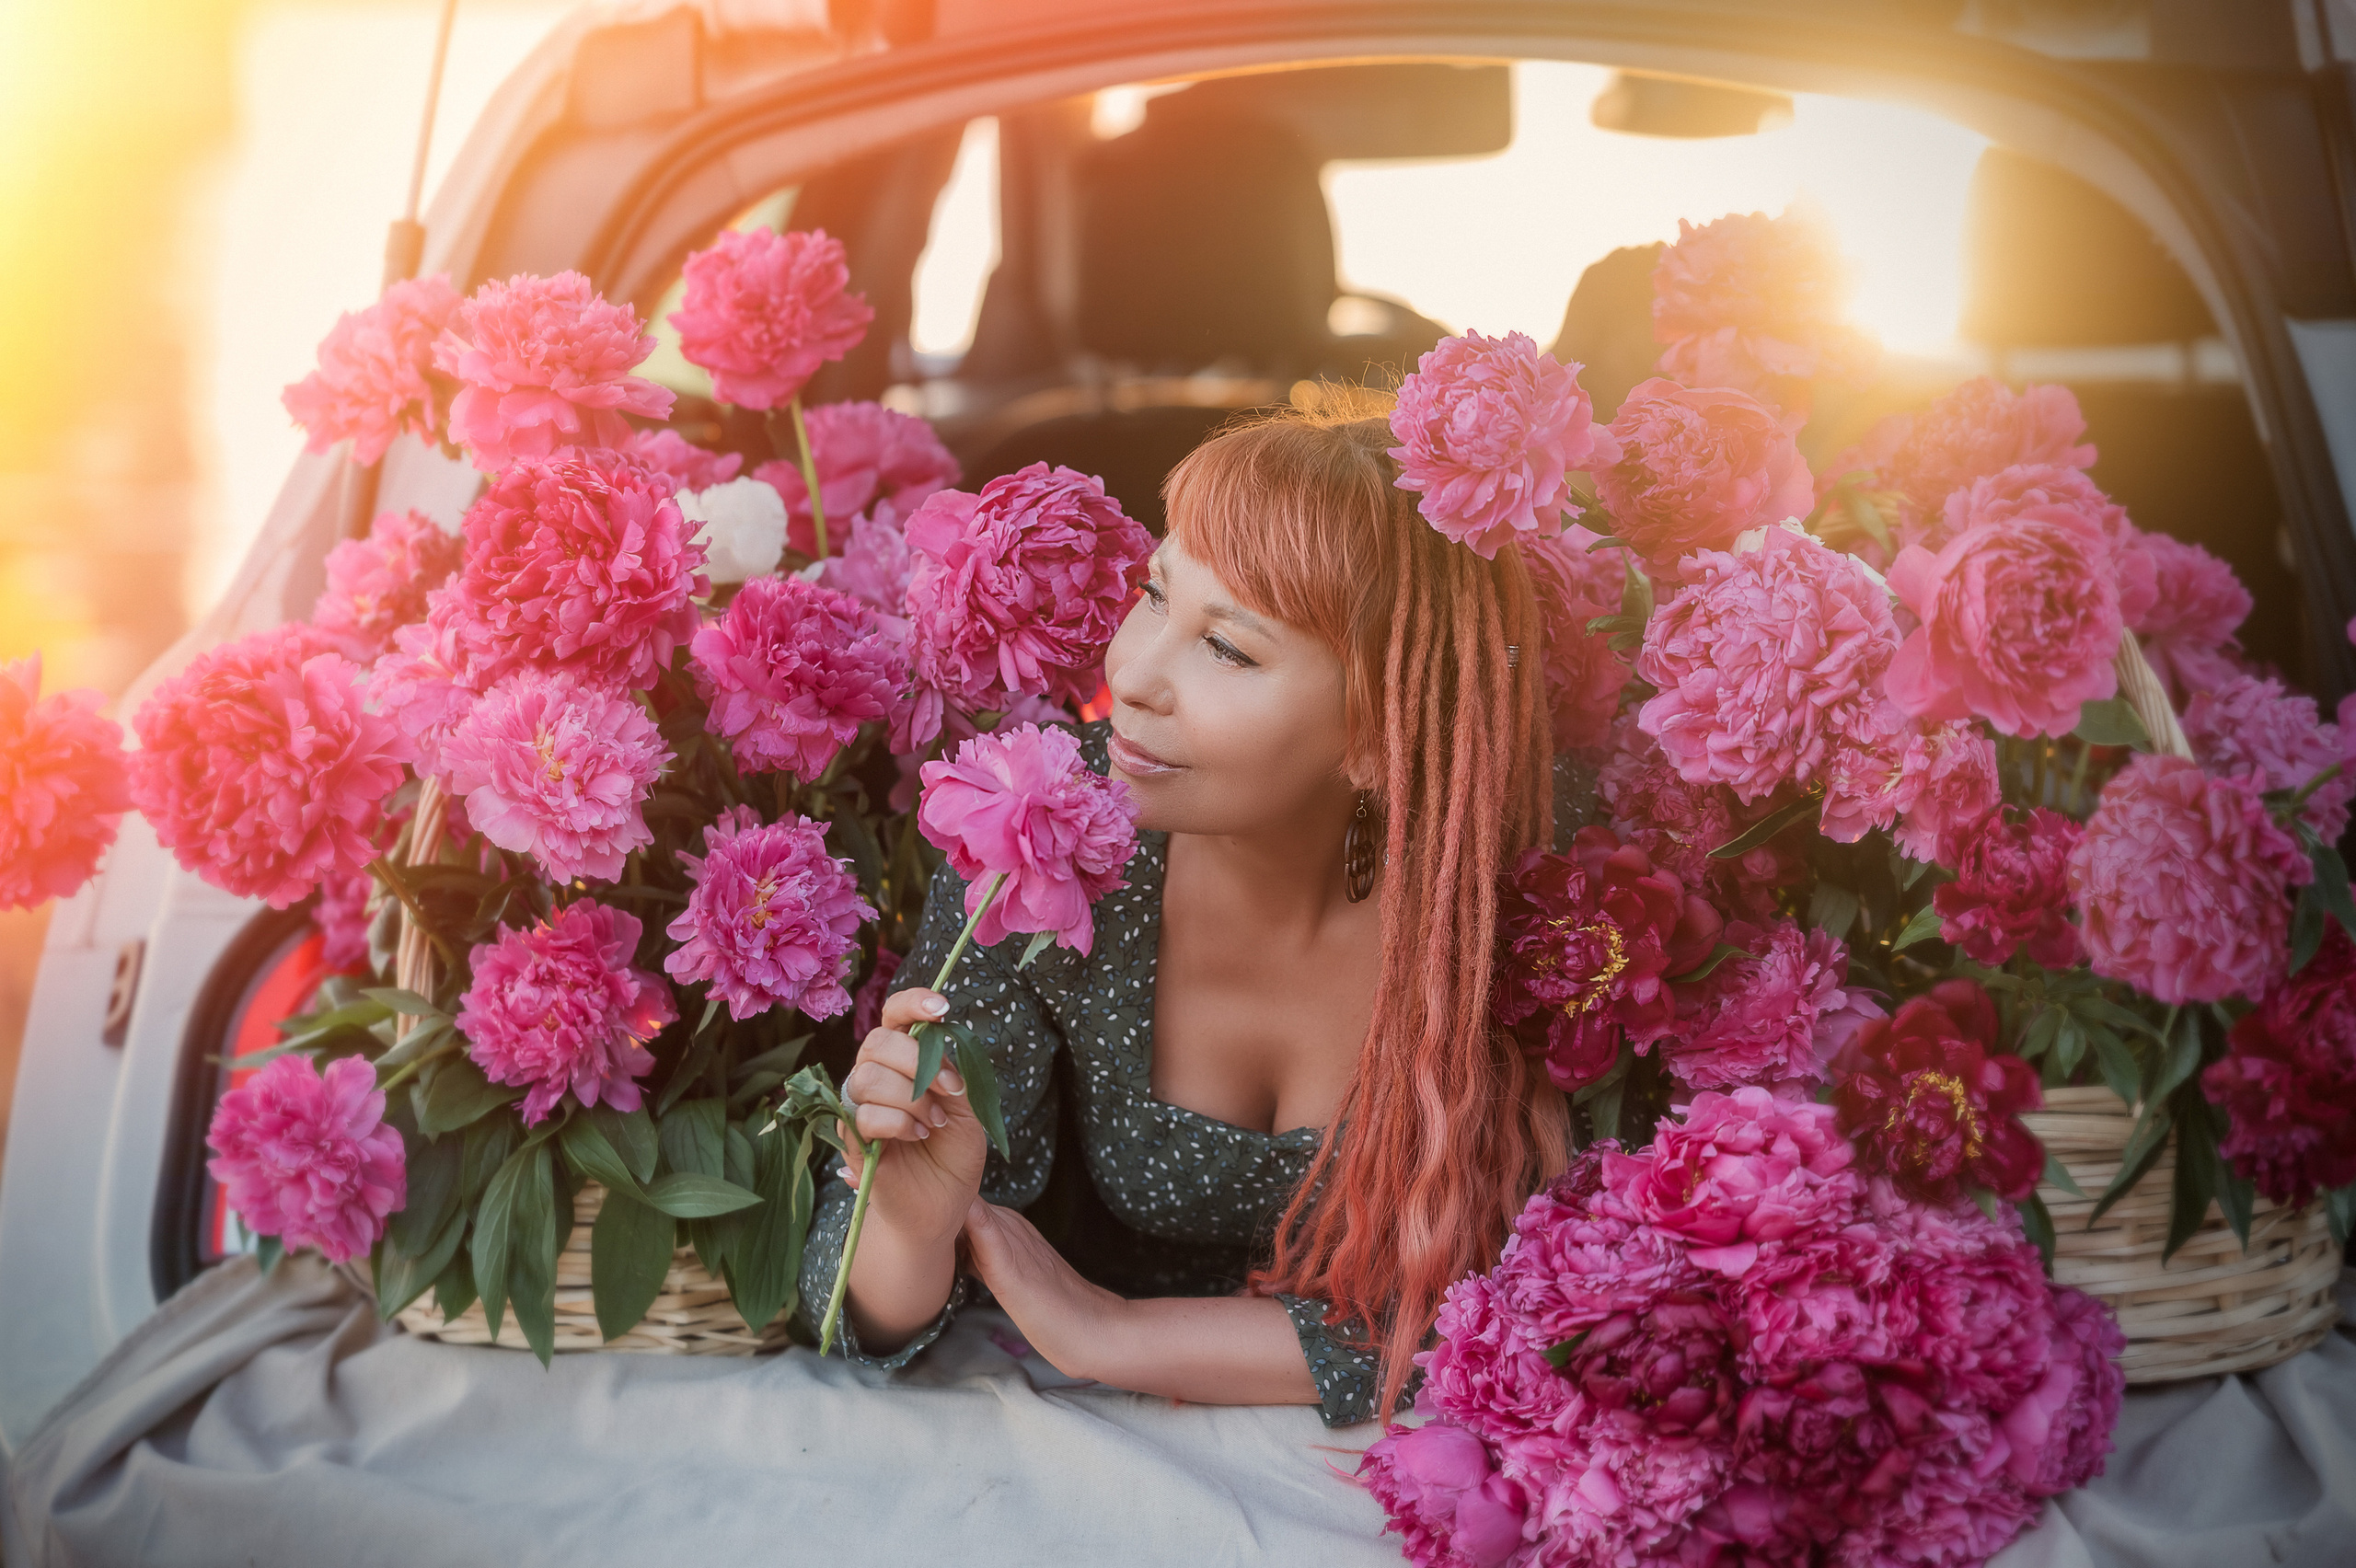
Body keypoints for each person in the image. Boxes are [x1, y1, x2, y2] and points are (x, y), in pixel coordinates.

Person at [791, 383, 1570, 1425]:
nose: (1136, 676)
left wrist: (1112, 1334)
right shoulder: (1045, 823)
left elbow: (1579, 1304)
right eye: (1157, 596)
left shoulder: (1540, 902)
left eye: (1229, 648)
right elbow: (854, 1320)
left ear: (1384, 733)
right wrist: (909, 1225)